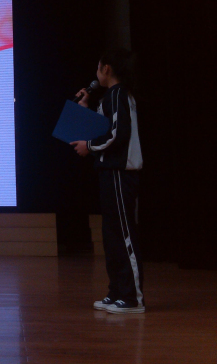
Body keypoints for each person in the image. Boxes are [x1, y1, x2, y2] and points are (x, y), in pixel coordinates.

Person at [70, 48, 145, 314]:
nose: (96, 72)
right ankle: (117, 293)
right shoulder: (111, 97)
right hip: (109, 172)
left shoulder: (118, 94)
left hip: (120, 173)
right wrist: (85, 108)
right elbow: (105, 129)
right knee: (112, 236)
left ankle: (132, 298)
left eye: (98, 67)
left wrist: (88, 146)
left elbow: (117, 134)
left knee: (123, 234)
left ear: (107, 69)